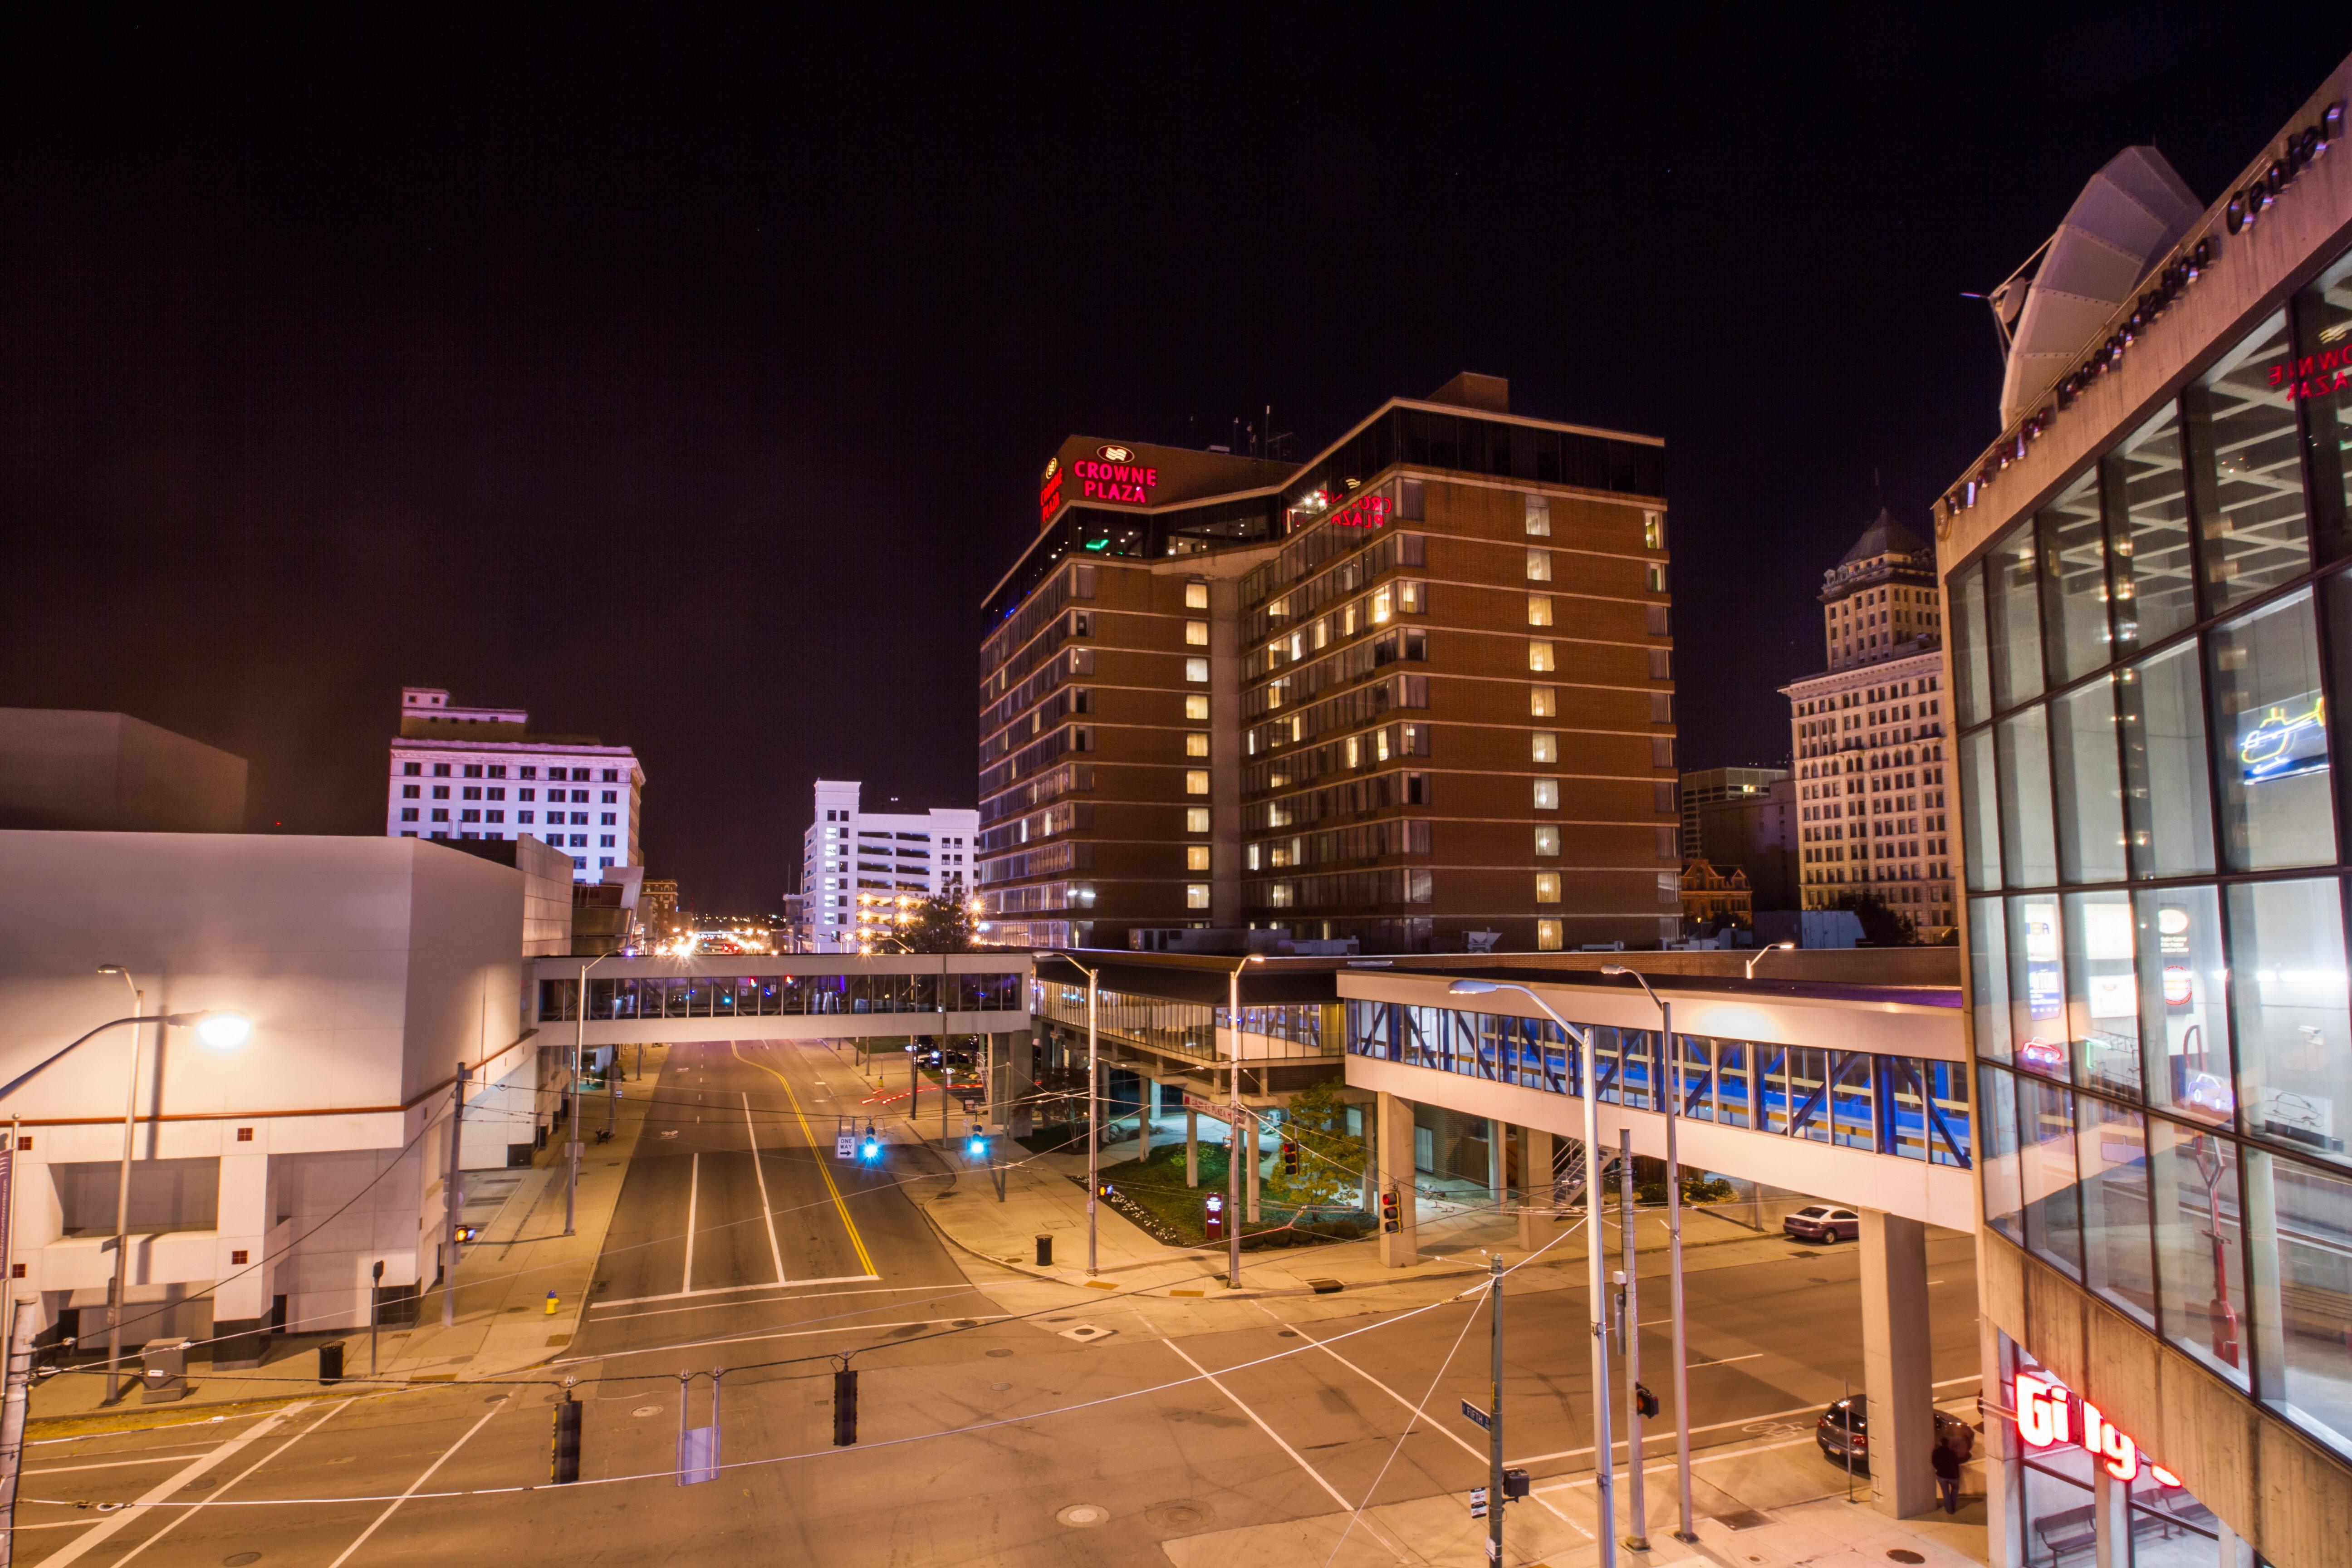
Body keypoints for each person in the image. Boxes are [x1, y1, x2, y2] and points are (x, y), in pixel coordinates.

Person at [1932, 1437, 1962, 1514]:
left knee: (1946, 1493)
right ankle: (1953, 1505)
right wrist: (1957, 1475)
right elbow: (1956, 1465)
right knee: (1955, 1488)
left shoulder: (1937, 1452)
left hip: (1942, 1475)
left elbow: (1934, 1462)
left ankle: (1950, 1510)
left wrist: (1939, 1469)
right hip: (1953, 1476)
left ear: (1941, 1443)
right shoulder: (1952, 1453)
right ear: (1948, 1444)